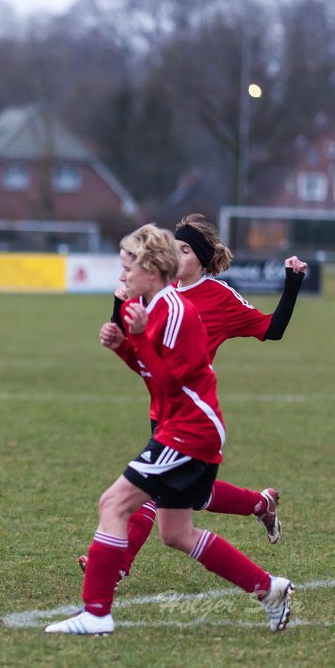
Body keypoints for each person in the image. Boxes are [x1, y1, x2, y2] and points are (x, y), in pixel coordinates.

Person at [46, 225, 293, 635]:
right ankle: (270, 590)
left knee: (113, 504)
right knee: (176, 532)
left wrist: (137, 341)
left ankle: (96, 613)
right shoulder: (153, 307)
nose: (122, 277)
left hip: (189, 431)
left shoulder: (175, 313)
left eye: (129, 268)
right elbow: (151, 374)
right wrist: (125, 345)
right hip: (181, 426)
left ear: (154, 269)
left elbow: (167, 382)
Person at [77, 213, 307, 578]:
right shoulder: (153, 291)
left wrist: (292, 283)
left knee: (149, 493)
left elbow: (272, 329)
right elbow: (129, 342)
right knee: (191, 500)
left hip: (190, 412)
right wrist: (119, 304)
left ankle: (115, 564)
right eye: (175, 248)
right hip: (161, 406)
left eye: (185, 250)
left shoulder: (218, 296)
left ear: (200, 259)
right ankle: (260, 503)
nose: (177, 255)